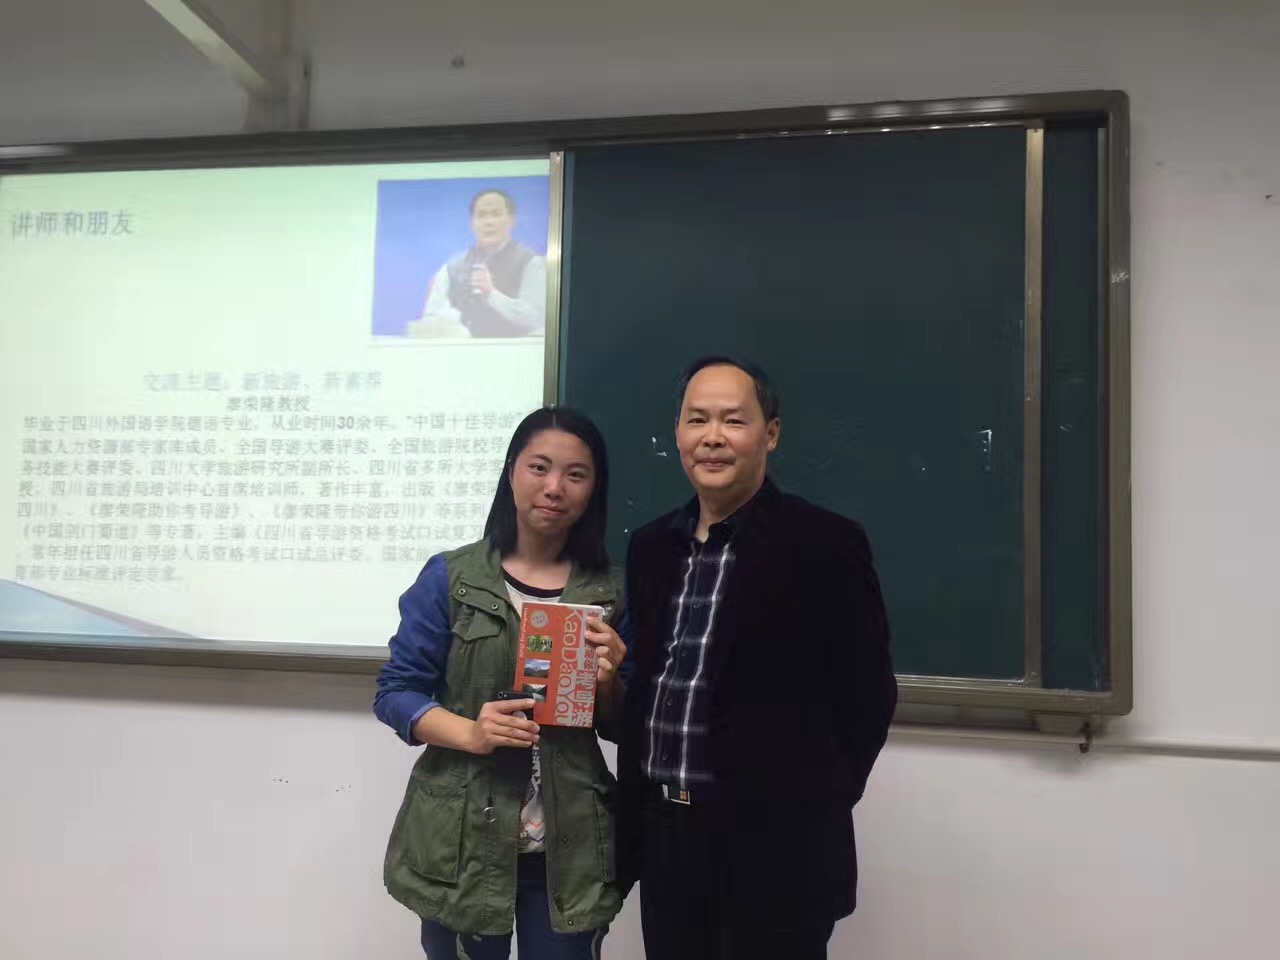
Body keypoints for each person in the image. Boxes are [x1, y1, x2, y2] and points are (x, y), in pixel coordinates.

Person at [616, 357, 898, 960]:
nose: (712, 437)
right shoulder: (650, 548)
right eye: (697, 420)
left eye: (733, 420)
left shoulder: (825, 543)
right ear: (677, 433)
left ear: (770, 433)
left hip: (778, 852)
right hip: (668, 840)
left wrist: (813, 806)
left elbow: (868, 697)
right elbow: (650, 684)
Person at [375, 406, 629, 959]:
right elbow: (395, 693)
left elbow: (622, 726)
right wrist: (471, 732)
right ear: (511, 471)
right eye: (539, 467)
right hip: (461, 841)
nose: (554, 487)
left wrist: (609, 682)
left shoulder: (612, 592)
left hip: (569, 847)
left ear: (594, 489)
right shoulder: (452, 577)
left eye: (576, 474)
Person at [408, 188, 547, 338]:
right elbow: (431, 319)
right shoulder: (452, 268)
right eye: (481, 215)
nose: (488, 222)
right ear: (472, 223)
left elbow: (537, 319)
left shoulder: (531, 262)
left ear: (511, 220)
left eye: (496, 214)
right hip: (464, 351)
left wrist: (491, 294)